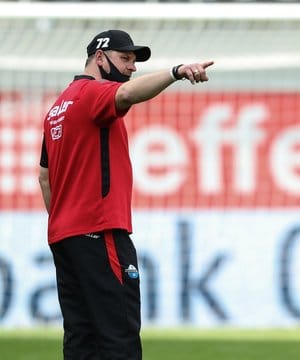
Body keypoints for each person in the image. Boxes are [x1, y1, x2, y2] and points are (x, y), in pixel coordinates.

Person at [38, 29, 213, 359]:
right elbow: (128, 94)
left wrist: (66, 219)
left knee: (80, 338)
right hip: (98, 231)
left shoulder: (56, 109)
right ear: (100, 58)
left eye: (134, 61)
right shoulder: (95, 93)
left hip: (64, 237)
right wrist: (176, 72)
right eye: (126, 59)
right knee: (119, 336)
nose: (132, 67)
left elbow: (44, 178)